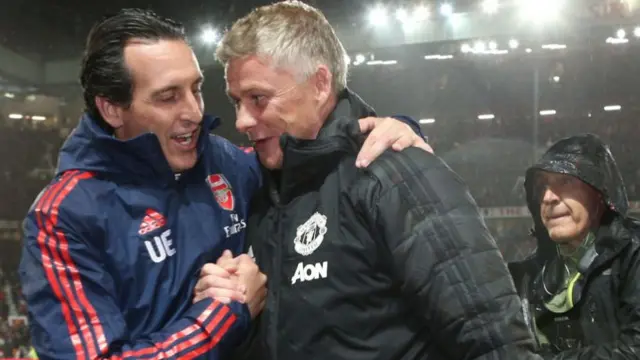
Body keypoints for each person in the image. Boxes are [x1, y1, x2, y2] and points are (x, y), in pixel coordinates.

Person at [18, 8, 430, 360]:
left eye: (195, 89)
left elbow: (312, 156)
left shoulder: (221, 161)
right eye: (167, 97)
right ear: (112, 109)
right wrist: (224, 313)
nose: (195, 112)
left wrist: (390, 129)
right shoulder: (65, 215)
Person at [196, 1, 541, 359]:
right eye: (236, 101)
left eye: (258, 99)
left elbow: (494, 339)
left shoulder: (392, 172)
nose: (241, 121)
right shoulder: (261, 191)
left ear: (319, 83)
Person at [509, 133, 640, 359]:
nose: (548, 197)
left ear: (599, 192)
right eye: (542, 186)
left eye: (566, 181)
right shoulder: (527, 276)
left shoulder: (633, 253)